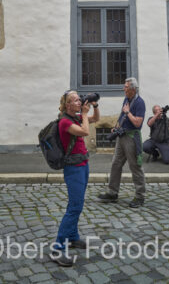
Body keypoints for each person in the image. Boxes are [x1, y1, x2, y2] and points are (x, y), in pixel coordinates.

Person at [51, 90, 99, 267]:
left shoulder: (76, 117)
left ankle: (72, 237)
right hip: (73, 168)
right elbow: (86, 131)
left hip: (83, 164)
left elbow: (95, 120)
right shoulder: (65, 122)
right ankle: (58, 248)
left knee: (78, 205)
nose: (79, 102)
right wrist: (85, 114)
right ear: (67, 105)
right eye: (75, 100)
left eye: (79, 99)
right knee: (74, 207)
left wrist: (95, 106)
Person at [98, 77, 146, 208]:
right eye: (124, 87)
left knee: (135, 166)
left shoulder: (140, 103)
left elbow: (137, 123)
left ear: (133, 89)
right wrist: (116, 126)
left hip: (132, 138)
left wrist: (128, 112)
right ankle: (112, 193)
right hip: (122, 136)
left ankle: (140, 197)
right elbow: (122, 115)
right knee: (116, 163)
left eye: (125, 87)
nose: (123, 89)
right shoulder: (127, 99)